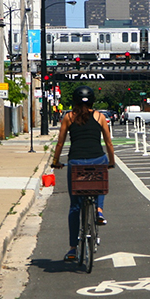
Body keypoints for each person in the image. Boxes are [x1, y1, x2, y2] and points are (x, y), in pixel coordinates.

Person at [51, 86, 115, 262]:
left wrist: (56, 162)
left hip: (76, 161)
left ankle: (72, 249)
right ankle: (99, 210)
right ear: (93, 101)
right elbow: (108, 143)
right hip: (98, 158)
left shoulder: (68, 117)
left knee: (74, 207)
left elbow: (60, 143)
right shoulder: (100, 117)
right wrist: (111, 161)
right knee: (100, 183)